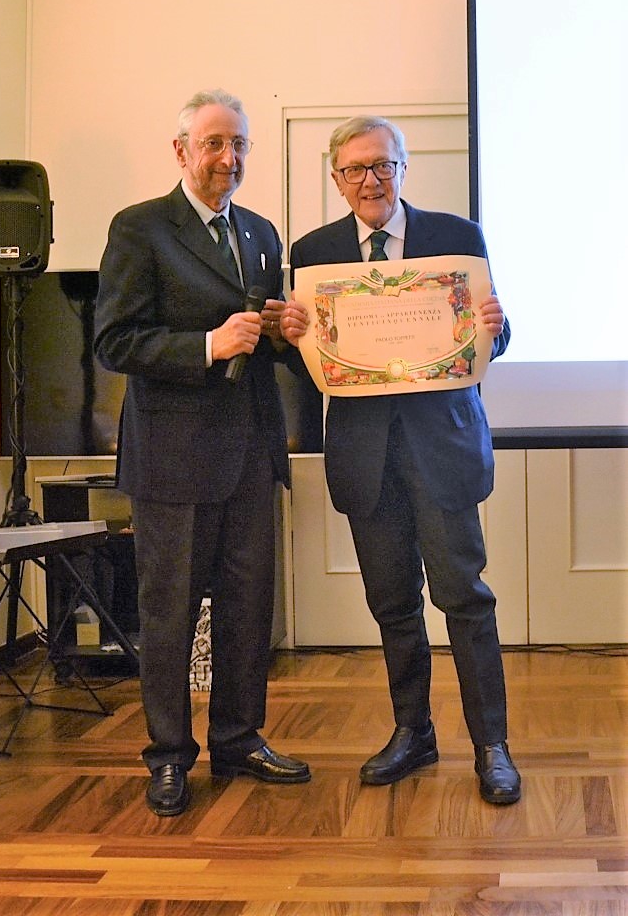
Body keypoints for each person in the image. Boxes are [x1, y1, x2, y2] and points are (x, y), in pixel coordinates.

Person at [282, 115, 520, 805]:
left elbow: (489, 340)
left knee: (464, 599)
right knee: (391, 604)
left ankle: (492, 746)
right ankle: (413, 732)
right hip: (365, 456)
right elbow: (311, 367)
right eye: (355, 169)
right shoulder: (314, 253)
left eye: (382, 165)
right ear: (336, 178)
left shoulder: (457, 238)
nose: (370, 180)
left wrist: (497, 328)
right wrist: (290, 339)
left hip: (442, 449)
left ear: (403, 169)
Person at [94, 89, 310, 817]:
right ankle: (168, 757)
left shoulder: (260, 232)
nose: (229, 157)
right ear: (182, 150)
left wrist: (283, 333)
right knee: (171, 614)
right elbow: (115, 341)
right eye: (215, 143)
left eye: (239, 144)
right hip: (173, 460)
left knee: (249, 610)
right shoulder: (140, 228)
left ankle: (239, 740)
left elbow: (267, 350)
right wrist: (206, 345)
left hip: (251, 452)